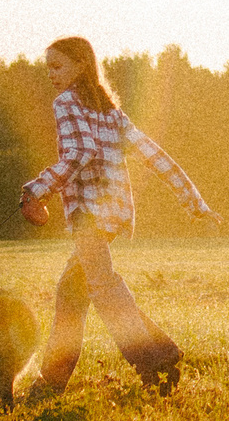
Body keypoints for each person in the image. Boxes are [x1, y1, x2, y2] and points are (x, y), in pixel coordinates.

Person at [19, 35, 218, 392]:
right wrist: (194, 201)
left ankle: (152, 358)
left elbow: (79, 153)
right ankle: (53, 381)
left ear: (81, 65)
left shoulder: (66, 102)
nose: (51, 74)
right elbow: (153, 154)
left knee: (104, 287)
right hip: (113, 215)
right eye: (47, 66)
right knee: (70, 293)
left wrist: (37, 189)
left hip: (88, 216)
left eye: (57, 66)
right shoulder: (111, 112)